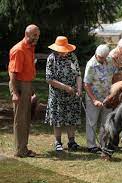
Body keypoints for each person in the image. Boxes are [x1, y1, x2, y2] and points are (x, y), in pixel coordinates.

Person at [45, 36, 82, 152]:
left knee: (72, 117)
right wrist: (66, 87)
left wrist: (79, 89)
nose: (64, 52)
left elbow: (78, 75)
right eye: (62, 50)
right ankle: (58, 142)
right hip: (57, 96)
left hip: (72, 94)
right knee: (58, 119)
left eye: (66, 50)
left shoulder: (72, 57)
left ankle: (72, 141)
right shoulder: (52, 58)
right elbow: (49, 79)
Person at [8, 24, 40, 158]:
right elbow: (13, 73)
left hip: (26, 84)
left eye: (38, 35)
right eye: (35, 35)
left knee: (26, 118)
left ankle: (23, 148)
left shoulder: (30, 47)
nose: (37, 38)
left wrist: (30, 89)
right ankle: (20, 151)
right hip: (19, 85)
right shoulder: (19, 49)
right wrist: (15, 93)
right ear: (27, 34)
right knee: (20, 119)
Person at [84, 44, 117, 153]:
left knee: (106, 122)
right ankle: (91, 145)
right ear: (96, 54)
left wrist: (112, 94)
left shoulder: (110, 61)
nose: (102, 59)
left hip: (107, 97)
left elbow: (114, 76)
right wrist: (94, 99)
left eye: (104, 57)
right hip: (93, 97)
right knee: (92, 122)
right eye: (100, 57)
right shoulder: (91, 64)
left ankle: (104, 144)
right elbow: (86, 84)